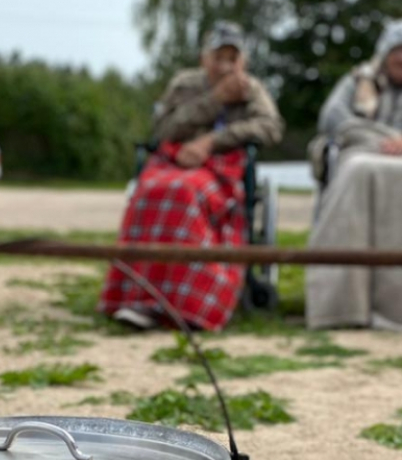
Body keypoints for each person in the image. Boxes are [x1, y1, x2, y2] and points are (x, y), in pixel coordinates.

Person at [98, 22, 284, 332]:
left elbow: (270, 128)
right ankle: (138, 298)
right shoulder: (184, 85)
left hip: (222, 167)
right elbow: (163, 130)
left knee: (185, 192)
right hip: (174, 158)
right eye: (218, 57)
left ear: (243, 62)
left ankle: (188, 303)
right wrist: (215, 99)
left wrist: (212, 142)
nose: (225, 65)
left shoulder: (251, 90)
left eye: (232, 58)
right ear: (204, 59)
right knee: (150, 191)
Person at [304, 20, 402, 332]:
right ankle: (342, 305)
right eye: (399, 51)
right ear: (385, 53)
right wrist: (374, 138)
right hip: (360, 151)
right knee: (359, 169)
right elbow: (332, 117)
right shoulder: (357, 80)